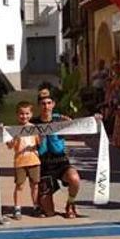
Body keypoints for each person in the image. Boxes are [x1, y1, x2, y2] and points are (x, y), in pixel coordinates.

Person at [32, 89, 81, 218]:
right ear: (39, 105)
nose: (46, 106)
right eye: (43, 103)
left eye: (49, 103)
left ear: (53, 104)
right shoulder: (32, 123)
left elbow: (79, 129)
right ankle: (43, 202)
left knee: (74, 179)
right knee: (49, 213)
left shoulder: (61, 120)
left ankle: (70, 204)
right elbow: (17, 136)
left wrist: (95, 121)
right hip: (43, 166)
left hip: (60, 162)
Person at [6, 102, 41, 220]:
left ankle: (36, 206)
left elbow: (39, 143)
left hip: (34, 160)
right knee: (19, 186)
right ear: (17, 115)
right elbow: (10, 146)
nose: (24, 116)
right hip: (20, 162)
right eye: (21, 114)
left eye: (27, 113)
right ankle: (17, 208)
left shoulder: (35, 129)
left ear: (31, 114)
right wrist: (14, 138)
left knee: (35, 185)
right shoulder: (13, 130)